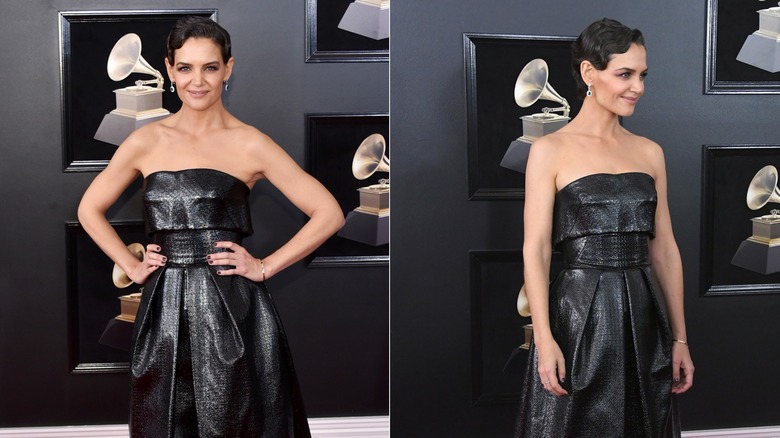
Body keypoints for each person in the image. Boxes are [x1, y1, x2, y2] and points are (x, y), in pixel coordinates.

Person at [78, 16, 344, 437]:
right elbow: (89, 209)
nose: (197, 81)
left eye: (210, 67)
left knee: (237, 419)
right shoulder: (145, 140)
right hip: (164, 304)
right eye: (185, 68)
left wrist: (264, 266)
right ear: (169, 70)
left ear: (228, 69)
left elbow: (329, 212)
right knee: (164, 419)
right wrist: (130, 267)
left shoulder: (250, 141)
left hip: (231, 304)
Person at [514, 18, 694, 437]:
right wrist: (544, 337)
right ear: (589, 74)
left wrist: (680, 338)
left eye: (643, 75)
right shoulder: (549, 150)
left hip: (645, 312)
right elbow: (537, 249)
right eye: (625, 74)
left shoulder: (650, 152)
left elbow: (664, 249)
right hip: (578, 315)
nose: (638, 87)